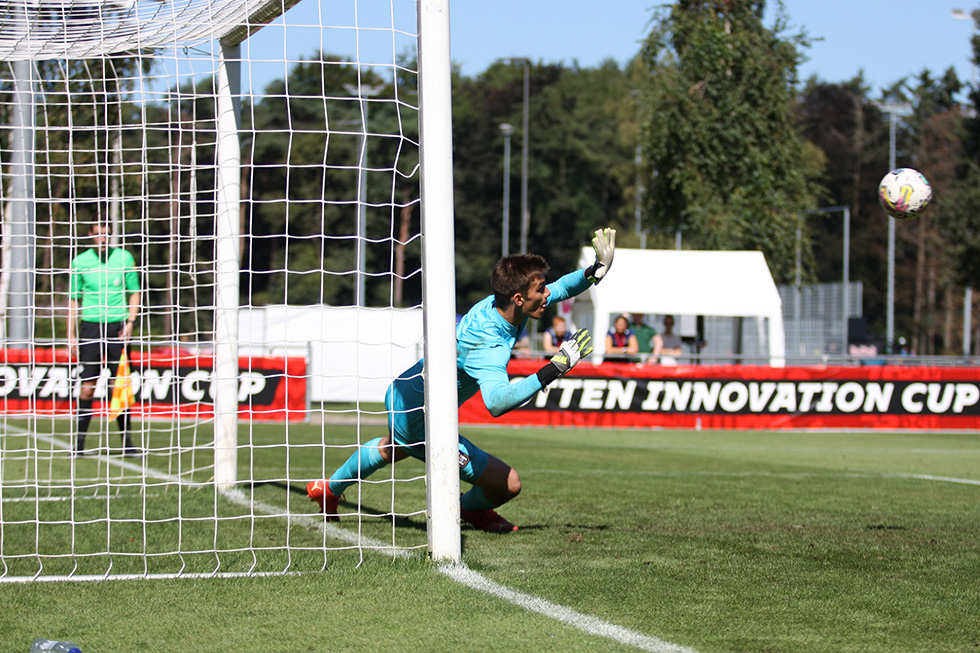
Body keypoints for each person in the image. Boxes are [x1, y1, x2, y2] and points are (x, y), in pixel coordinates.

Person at [307, 228, 616, 533]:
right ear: (520, 298)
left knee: (395, 447)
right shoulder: (489, 344)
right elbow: (496, 402)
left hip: (404, 392)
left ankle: (328, 490)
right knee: (508, 484)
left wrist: (595, 271)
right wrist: (555, 368)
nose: (548, 294)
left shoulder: (503, 302)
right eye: (541, 291)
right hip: (421, 417)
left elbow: (562, 286)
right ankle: (469, 508)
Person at [67, 221, 141, 456]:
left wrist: (130, 322)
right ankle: (78, 445)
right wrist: (71, 334)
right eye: (98, 234)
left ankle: (127, 443)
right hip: (90, 328)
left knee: (118, 385)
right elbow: (73, 300)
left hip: (117, 328)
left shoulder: (124, 258)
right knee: (87, 387)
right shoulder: (79, 262)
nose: (102, 238)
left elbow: (134, 292)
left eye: (106, 234)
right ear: (90, 235)